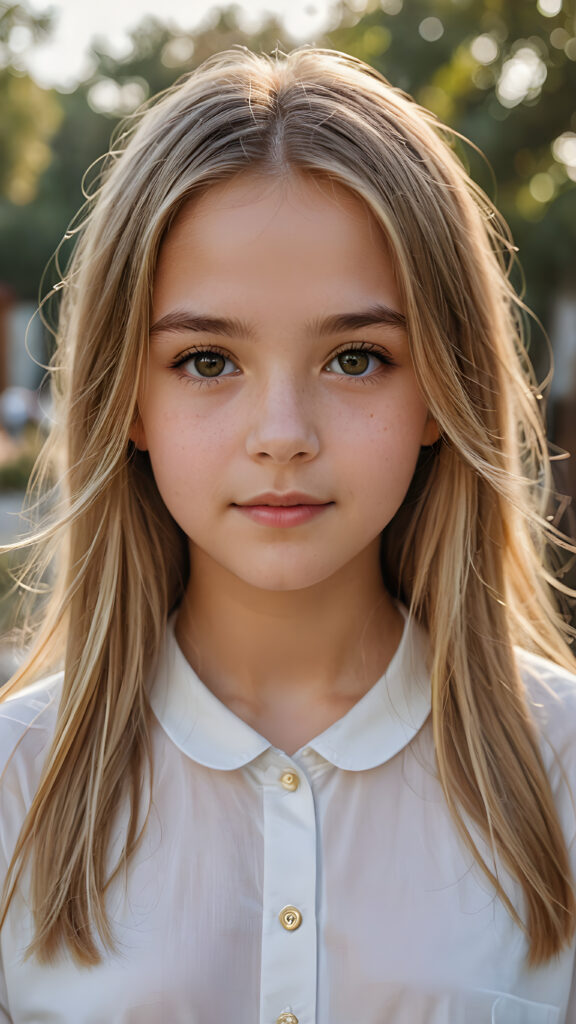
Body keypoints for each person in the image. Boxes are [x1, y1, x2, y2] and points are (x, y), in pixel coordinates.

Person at [0, 45, 574, 1024]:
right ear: (126, 398)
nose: (282, 435)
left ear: (440, 384)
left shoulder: (564, 773)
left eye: (356, 357)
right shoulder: (15, 786)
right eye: (207, 359)